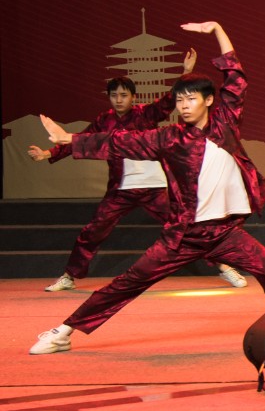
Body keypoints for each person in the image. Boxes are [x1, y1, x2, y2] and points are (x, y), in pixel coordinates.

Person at [30, 22, 265, 355]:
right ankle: (64, 331)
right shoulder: (169, 138)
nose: (183, 105)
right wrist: (69, 139)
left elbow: (235, 76)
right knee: (129, 283)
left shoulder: (225, 123)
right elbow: (119, 142)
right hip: (182, 235)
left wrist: (217, 29)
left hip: (224, 232)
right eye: (179, 100)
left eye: (191, 99)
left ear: (209, 100)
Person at [27, 52, 250, 292]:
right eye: (114, 95)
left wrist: (185, 73)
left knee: (187, 228)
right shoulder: (104, 121)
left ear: (133, 97)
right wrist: (48, 153)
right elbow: (81, 140)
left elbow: (168, 101)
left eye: (124, 95)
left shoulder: (145, 114)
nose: (119, 100)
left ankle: (225, 267)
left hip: (154, 188)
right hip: (121, 189)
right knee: (93, 231)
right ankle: (69, 276)